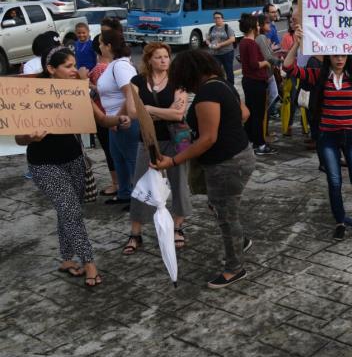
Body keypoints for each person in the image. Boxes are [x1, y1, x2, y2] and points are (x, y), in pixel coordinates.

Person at [155, 50, 255, 289]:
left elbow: (207, 139)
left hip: (226, 163)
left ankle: (235, 268)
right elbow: (245, 113)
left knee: (226, 216)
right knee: (220, 206)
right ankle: (240, 241)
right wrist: (229, 127)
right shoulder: (223, 84)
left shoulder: (208, 93)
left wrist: (174, 161)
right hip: (241, 155)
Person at [282, 27, 352, 242]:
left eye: (343, 55)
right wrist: (296, 43)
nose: (340, 59)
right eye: (335, 55)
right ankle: (340, 220)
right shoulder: (318, 76)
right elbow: (288, 67)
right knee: (334, 182)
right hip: (328, 137)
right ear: (328, 56)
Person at [15, 46, 103, 287]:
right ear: (51, 69)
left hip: (74, 159)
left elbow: (100, 116)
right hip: (43, 164)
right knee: (71, 211)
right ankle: (89, 263)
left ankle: (66, 259)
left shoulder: (77, 91)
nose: (74, 70)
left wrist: (119, 120)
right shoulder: (32, 96)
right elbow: (18, 138)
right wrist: (29, 137)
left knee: (69, 210)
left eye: (74, 65)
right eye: (68, 66)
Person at [123, 42, 191, 255]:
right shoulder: (137, 81)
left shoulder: (178, 81)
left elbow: (178, 114)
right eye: (158, 57)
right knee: (141, 184)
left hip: (175, 140)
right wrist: (164, 110)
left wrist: (149, 109)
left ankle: (178, 227)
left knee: (179, 182)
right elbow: (133, 112)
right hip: (147, 139)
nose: (163, 60)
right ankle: (136, 232)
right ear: (149, 60)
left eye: (166, 56)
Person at [96, 20, 140, 206]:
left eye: (100, 43)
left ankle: (138, 198)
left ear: (108, 46)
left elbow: (130, 94)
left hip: (124, 121)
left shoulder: (121, 66)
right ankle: (124, 193)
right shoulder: (114, 64)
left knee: (131, 161)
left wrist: (118, 118)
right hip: (114, 121)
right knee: (119, 159)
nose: (98, 47)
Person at [237, 13, 277, 155]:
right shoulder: (251, 44)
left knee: (251, 113)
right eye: (258, 25)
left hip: (248, 81)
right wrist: (266, 62)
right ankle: (260, 144)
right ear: (253, 27)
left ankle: (249, 141)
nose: (259, 27)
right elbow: (254, 64)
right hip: (256, 82)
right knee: (258, 115)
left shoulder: (243, 42)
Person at [88, 29, 119, 196]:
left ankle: (116, 183)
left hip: (104, 114)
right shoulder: (117, 65)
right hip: (114, 114)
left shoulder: (100, 68)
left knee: (110, 151)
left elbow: (101, 91)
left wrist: (85, 83)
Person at [205, 12, 236, 85]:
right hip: (215, 54)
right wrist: (209, 44)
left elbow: (232, 39)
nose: (217, 19)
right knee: (216, 71)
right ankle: (219, 85)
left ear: (222, 19)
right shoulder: (212, 28)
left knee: (229, 70)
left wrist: (220, 45)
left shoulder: (227, 28)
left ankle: (230, 85)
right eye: (215, 18)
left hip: (227, 53)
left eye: (218, 18)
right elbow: (207, 39)